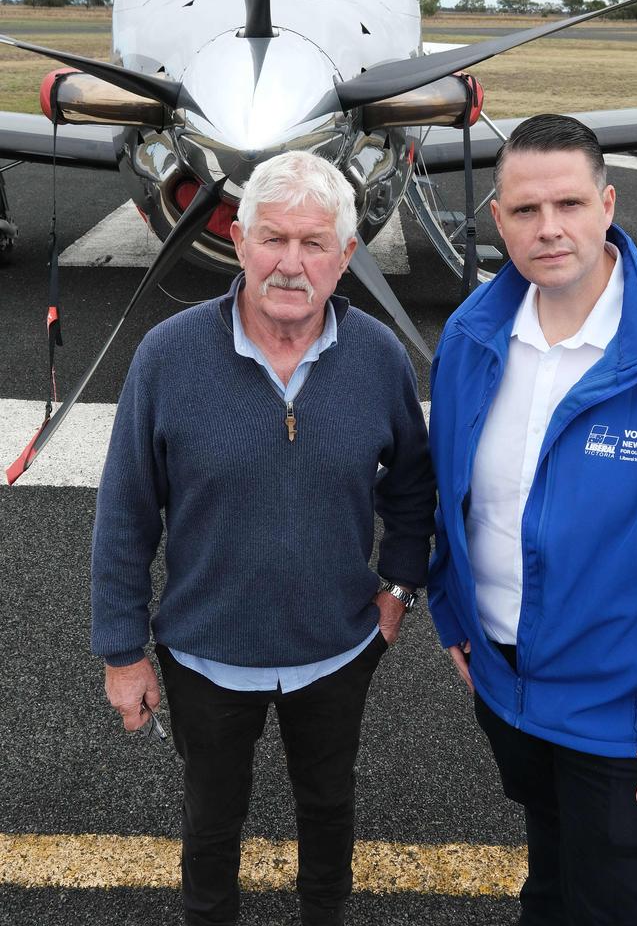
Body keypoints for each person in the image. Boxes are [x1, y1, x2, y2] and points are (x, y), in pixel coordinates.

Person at [427, 113, 637, 925]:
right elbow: (452, 492)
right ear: (498, 219)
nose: (550, 229)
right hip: (507, 691)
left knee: (613, 903)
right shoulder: (474, 334)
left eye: (570, 204)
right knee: (550, 877)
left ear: (608, 205)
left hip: (630, 721)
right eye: (525, 210)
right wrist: (451, 607)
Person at [91, 150, 435, 926]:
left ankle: (325, 914)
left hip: (339, 646)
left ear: (346, 257)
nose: (291, 263)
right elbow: (125, 512)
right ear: (238, 243)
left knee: (328, 805)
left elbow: (413, 485)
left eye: (315, 243)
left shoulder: (378, 357)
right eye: (272, 239)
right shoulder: (167, 356)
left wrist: (399, 587)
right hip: (205, 651)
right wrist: (121, 650)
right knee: (211, 820)